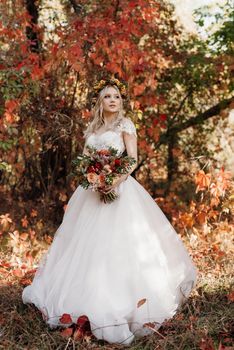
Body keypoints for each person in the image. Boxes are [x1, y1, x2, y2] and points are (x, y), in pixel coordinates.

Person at [22, 77, 197, 346]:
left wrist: (112, 181)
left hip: (120, 190)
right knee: (83, 245)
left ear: (121, 101)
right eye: (107, 96)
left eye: (116, 96)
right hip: (90, 193)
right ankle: (79, 298)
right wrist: (92, 178)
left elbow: (132, 159)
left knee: (118, 245)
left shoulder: (125, 125)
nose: (112, 100)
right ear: (100, 102)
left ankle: (122, 302)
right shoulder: (92, 128)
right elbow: (84, 161)